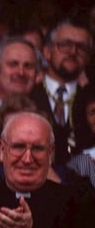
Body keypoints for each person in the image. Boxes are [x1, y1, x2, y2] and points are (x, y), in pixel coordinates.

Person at [29, 17, 93, 165]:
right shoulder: (29, 94)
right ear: (47, 51)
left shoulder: (90, 98)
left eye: (82, 48)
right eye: (65, 45)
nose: (73, 52)